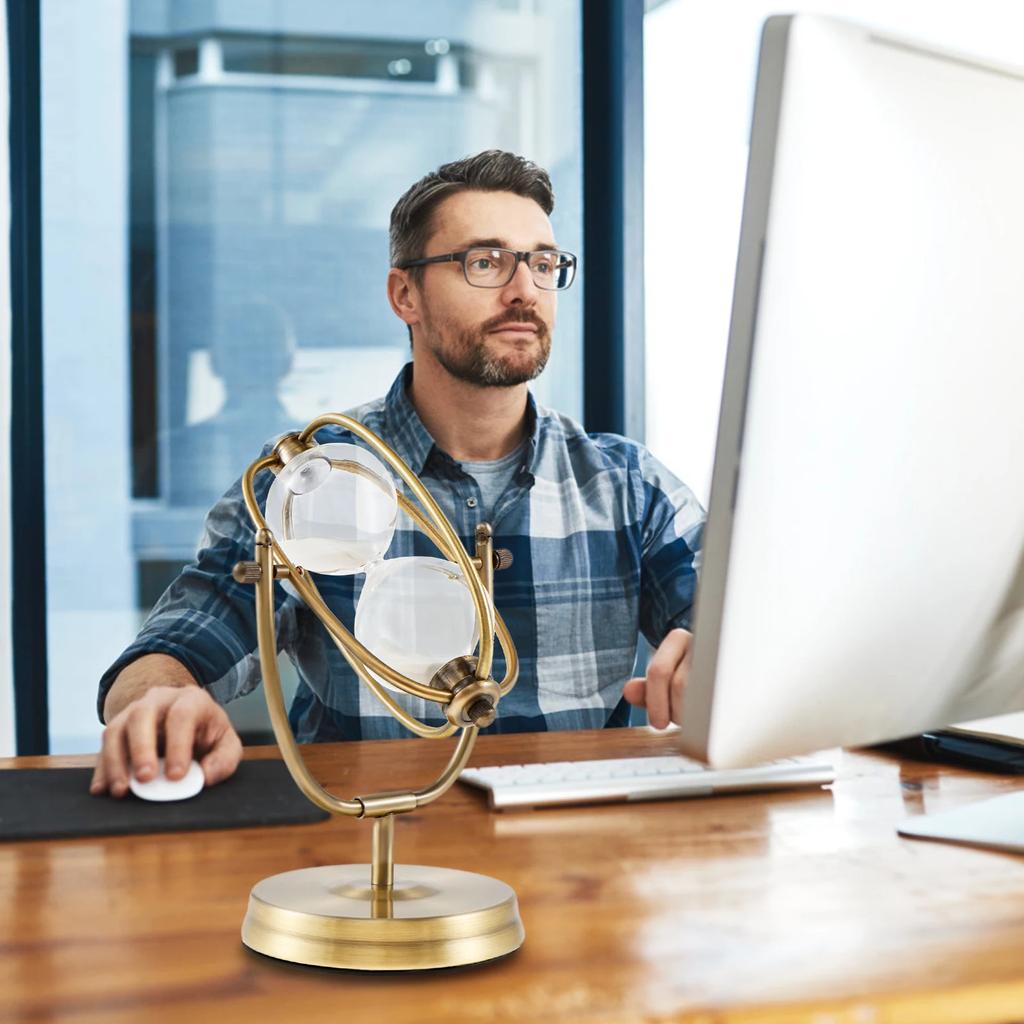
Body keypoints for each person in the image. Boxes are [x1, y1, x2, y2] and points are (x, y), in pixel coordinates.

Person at [90, 150, 704, 798]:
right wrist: (161, 703)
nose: (524, 289)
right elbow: (183, 641)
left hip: (583, 863)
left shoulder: (627, 485)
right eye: (485, 262)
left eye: (543, 264)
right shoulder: (312, 478)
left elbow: (730, 620)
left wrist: (714, 655)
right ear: (404, 294)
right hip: (369, 860)